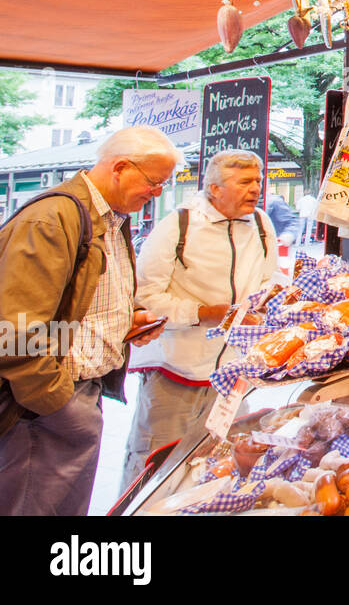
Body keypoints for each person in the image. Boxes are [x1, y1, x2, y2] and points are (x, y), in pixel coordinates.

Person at [0, 126, 180, 515]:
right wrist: (57, 403)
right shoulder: (52, 219)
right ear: (119, 168)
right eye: (154, 181)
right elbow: (15, 333)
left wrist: (125, 321)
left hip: (73, 397)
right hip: (43, 409)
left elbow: (77, 304)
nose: (158, 192)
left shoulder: (109, 217)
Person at [123, 150, 278, 484]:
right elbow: (144, 298)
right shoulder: (178, 226)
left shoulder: (263, 225)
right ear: (215, 189)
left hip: (233, 377)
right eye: (245, 182)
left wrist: (267, 304)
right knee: (155, 468)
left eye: (258, 181)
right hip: (174, 374)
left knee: (218, 467)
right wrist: (203, 314)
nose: (255, 189)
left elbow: (270, 281)